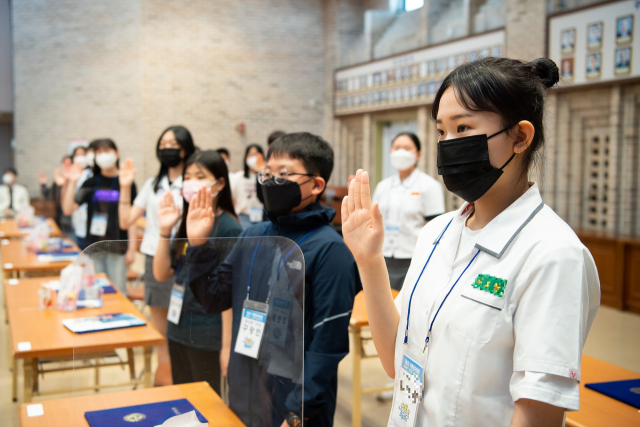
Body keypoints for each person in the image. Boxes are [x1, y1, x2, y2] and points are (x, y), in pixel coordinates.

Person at [341, 57, 600, 427]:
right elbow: (395, 362)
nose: (448, 144)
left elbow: (537, 413)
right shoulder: (436, 233)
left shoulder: (554, 255)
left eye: (463, 128)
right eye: (442, 132)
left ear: (520, 137)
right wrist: (369, 261)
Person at [185, 133, 360, 427]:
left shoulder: (330, 250)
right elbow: (213, 297)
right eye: (267, 172)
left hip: (295, 408)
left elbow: (327, 346)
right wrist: (199, 245)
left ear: (317, 185)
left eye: (283, 173)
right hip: (246, 393)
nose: (270, 181)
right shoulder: (253, 236)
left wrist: (295, 413)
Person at [153, 150, 239, 393]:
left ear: (220, 183)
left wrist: (226, 347)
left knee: (207, 405)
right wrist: (164, 230)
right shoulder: (186, 222)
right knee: (185, 401)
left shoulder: (228, 228)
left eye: (199, 176)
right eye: (187, 176)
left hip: (208, 335)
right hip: (178, 327)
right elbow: (162, 273)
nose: (191, 182)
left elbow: (229, 293)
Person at [117, 125, 196, 386]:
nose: (166, 147)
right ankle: (165, 380)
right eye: (162, 143)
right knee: (160, 329)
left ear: (185, 149)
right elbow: (126, 219)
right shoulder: (153, 184)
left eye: (172, 143)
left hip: (188, 258)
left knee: (187, 323)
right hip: (156, 258)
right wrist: (125, 187)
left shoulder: (193, 183)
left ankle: (188, 378)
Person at [62, 139, 137, 293]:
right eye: (99, 152)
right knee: (96, 290)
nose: (103, 155)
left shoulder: (126, 181)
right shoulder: (90, 182)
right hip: (95, 246)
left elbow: (131, 218)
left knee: (117, 291)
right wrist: (71, 181)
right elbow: (68, 209)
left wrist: (132, 248)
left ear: (117, 154)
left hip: (118, 247)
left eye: (107, 150)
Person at [372, 132, 444, 291]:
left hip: (413, 258)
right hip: (381, 257)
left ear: (418, 154)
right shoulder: (382, 187)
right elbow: (373, 220)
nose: (401, 152)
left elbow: (436, 229)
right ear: (390, 152)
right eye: (397, 148)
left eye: (407, 148)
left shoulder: (430, 186)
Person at [63, 143, 96, 249]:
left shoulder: (93, 176)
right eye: (77, 155)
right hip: (80, 226)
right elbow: (67, 207)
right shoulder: (80, 176)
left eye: (83, 154)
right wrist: (68, 181)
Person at [230, 144, 266, 229]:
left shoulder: (265, 177)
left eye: (256, 154)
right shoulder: (238, 177)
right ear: (246, 157)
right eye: (251, 154)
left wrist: (261, 171)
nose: (254, 157)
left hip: (262, 216)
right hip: (244, 216)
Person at [39, 156, 73, 234]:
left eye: (69, 164)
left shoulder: (75, 180)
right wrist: (43, 184)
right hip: (57, 217)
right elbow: (49, 196)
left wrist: (66, 183)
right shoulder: (58, 180)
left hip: (70, 220)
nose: (66, 166)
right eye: (64, 164)